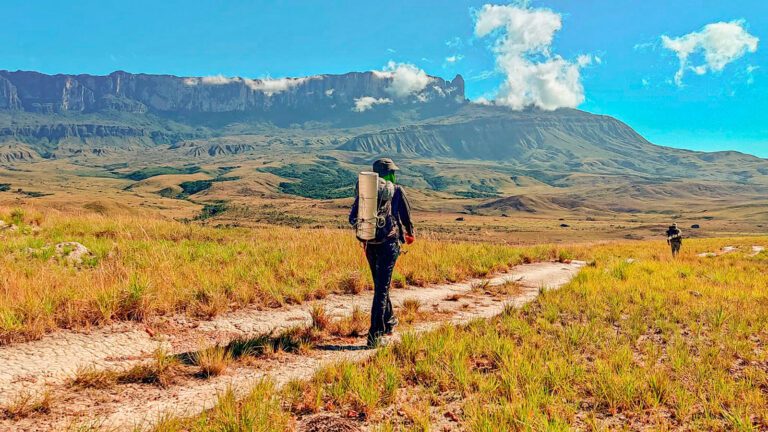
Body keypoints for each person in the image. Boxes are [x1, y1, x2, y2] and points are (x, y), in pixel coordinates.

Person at [349, 158, 415, 347]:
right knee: (381, 289)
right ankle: (374, 335)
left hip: (370, 243)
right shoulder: (396, 190)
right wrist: (410, 234)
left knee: (380, 284)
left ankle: (389, 321)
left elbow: (353, 216)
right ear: (390, 173)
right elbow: (406, 217)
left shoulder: (366, 190)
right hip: (389, 244)